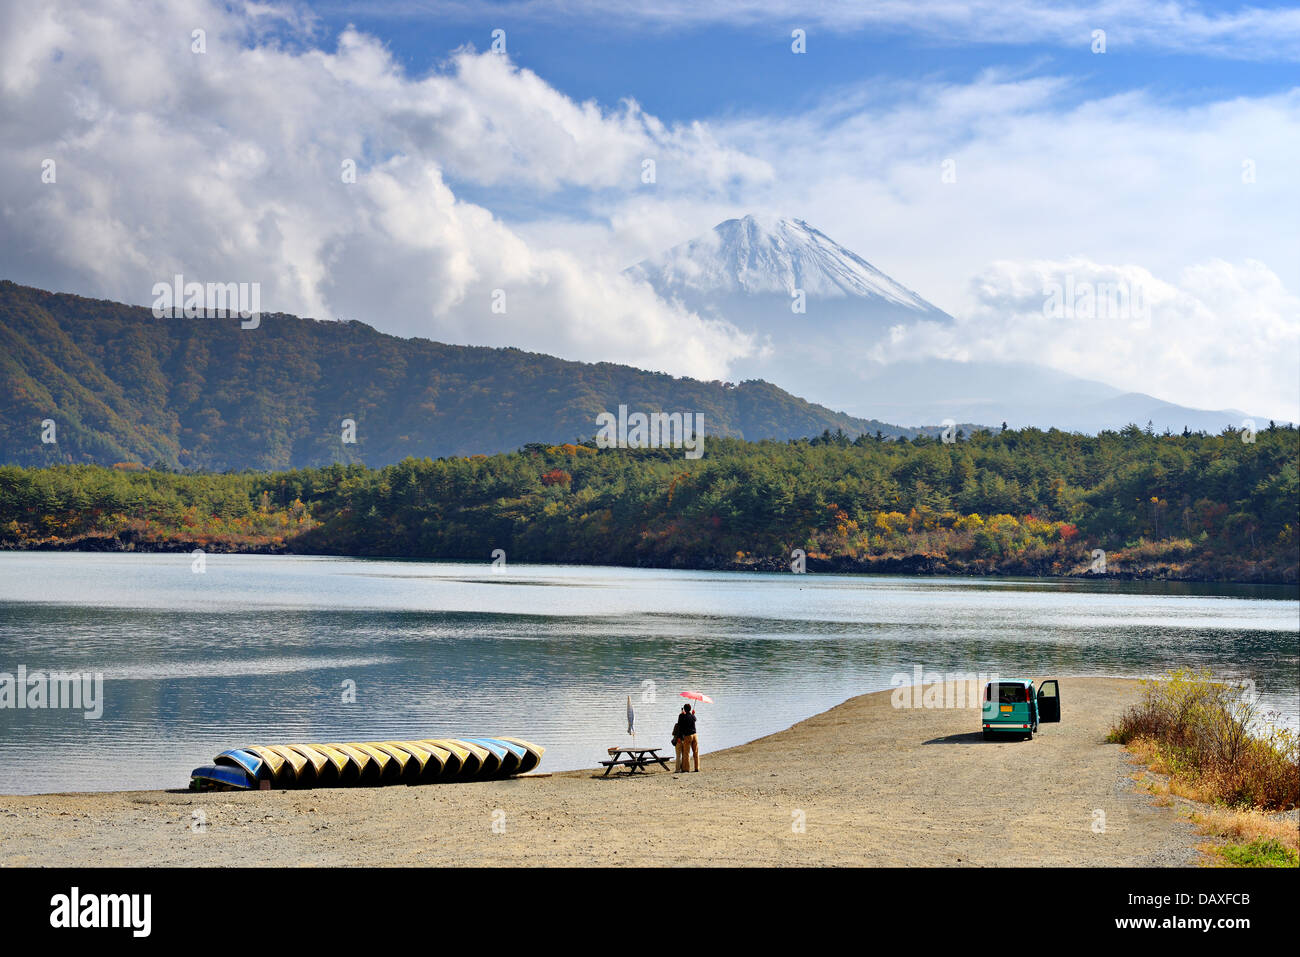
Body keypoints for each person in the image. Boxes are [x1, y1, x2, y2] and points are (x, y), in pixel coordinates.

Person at [677, 703, 699, 772]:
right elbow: (695, 719)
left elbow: (679, 727)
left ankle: (686, 769)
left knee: (686, 753)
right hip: (695, 735)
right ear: (690, 709)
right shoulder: (692, 716)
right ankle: (697, 768)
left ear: (684, 709)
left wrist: (679, 737)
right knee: (695, 752)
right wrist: (693, 714)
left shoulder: (682, 716)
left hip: (687, 736)